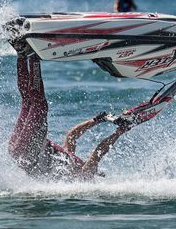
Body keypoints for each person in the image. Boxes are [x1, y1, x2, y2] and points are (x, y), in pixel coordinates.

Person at [8, 43, 130, 180]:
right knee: (27, 102)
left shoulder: (83, 176)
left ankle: (31, 56)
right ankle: (21, 54)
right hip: (18, 150)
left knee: (39, 107)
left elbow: (98, 153)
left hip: (29, 152)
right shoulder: (68, 160)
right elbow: (72, 136)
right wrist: (96, 120)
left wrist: (119, 132)